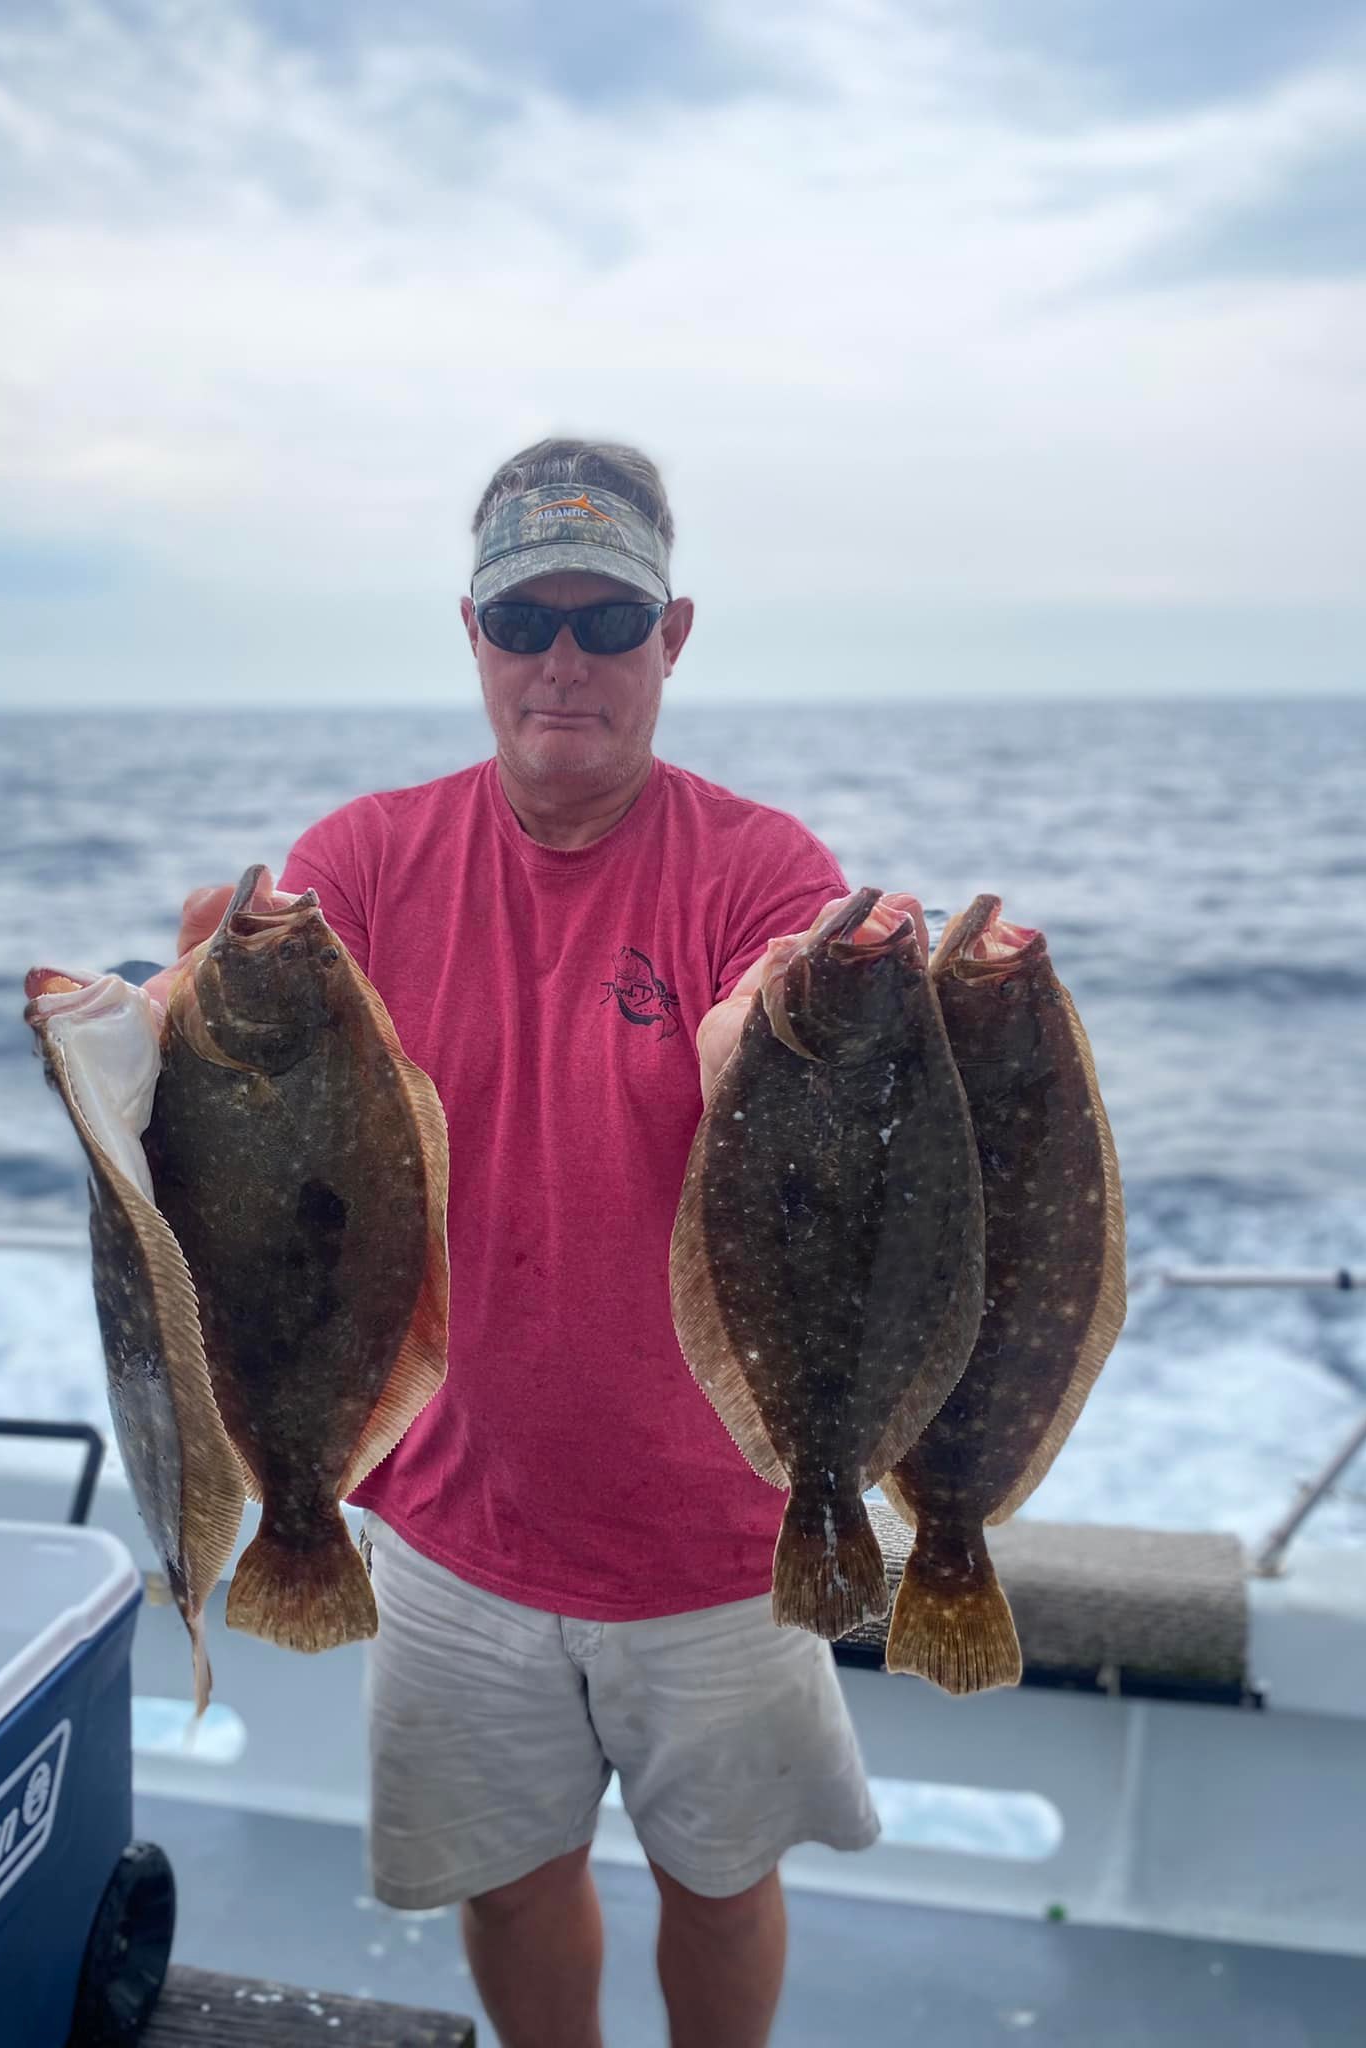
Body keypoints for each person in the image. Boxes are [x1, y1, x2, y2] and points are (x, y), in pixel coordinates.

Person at [169, 439, 877, 2048]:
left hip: (718, 1531)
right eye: (527, 619)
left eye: (609, 624)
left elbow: (762, 1040)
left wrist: (769, 1027)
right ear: (473, 634)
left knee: (721, 1875)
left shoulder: (762, 869)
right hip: (444, 1513)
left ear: (673, 638)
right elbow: (228, 1090)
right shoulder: (359, 862)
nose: (567, 662)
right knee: (509, 1877)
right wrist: (137, 1027)